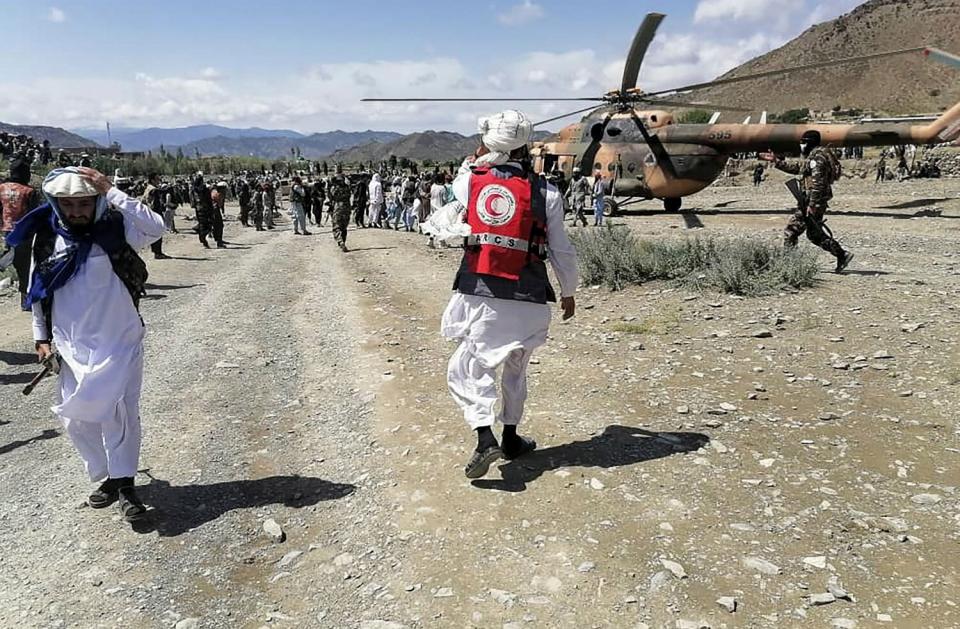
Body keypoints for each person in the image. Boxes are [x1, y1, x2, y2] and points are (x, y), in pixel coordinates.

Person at [5, 166, 165, 522]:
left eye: (84, 203)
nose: (76, 211)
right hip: (71, 344)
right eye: (68, 204)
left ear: (96, 202)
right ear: (56, 204)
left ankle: (125, 484)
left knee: (121, 414)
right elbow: (38, 291)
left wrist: (111, 190)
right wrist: (41, 338)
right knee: (78, 419)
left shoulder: (116, 229)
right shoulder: (47, 238)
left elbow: (156, 227)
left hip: (120, 338)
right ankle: (107, 474)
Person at [441, 110, 578, 478]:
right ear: (526, 147)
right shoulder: (546, 191)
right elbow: (561, 248)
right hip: (530, 294)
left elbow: (461, 177)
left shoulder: (470, 181)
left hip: (481, 292)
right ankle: (512, 437)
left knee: (469, 367)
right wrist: (568, 291)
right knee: (516, 369)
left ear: (488, 144)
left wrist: (478, 154)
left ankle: (486, 437)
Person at [761, 130, 854, 273]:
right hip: (810, 201)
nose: (801, 144)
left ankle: (789, 265)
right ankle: (842, 254)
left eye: (804, 141)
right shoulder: (814, 156)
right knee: (814, 234)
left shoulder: (818, 158)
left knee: (791, 231)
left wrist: (813, 205)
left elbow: (818, 183)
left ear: (810, 142)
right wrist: (776, 161)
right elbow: (798, 168)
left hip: (812, 202)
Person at [1, 156, 42, 308]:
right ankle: (25, 301)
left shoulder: (2, 188)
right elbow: (33, 214)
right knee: (25, 265)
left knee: (15, 260)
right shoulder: (29, 191)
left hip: (7, 230)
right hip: (25, 233)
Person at [140, 173, 170, 259]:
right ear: (152, 180)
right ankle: (158, 253)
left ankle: (157, 251)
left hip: (150, 213)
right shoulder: (152, 189)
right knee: (158, 232)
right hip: (155, 213)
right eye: (157, 179)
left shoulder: (148, 188)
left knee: (154, 233)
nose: (158, 180)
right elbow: (154, 197)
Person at [328, 171, 352, 252]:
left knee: (337, 226)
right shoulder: (347, 187)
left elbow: (331, 196)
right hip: (347, 208)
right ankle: (343, 242)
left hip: (338, 208)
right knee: (344, 227)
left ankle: (340, 242)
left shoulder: (334, 188)